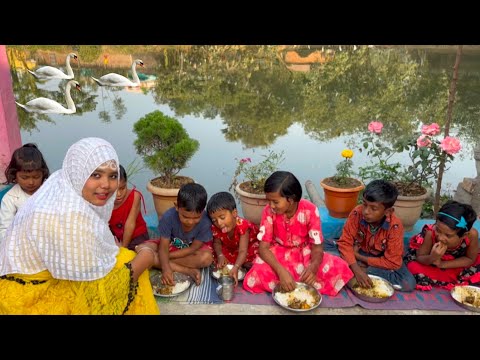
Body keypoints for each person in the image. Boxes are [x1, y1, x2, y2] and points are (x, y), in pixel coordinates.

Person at [0, 137, 159, 315]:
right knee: (134, 266)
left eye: (112, 176)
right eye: (96, 174)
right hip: (30, 294)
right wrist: (146, 256)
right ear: (78, 173)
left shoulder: (61, 184)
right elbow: (106, 291)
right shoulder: (67, 217)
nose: (106, 185)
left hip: (46, 275)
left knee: (123, 257)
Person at [243, 171, 354, 296]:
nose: (271, 205)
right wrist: (281, 272)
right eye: (269, 201)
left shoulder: (310, 210)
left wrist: (314, 267)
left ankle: (289, 283)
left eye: (275, 202)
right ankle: (294, 282)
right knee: (257, 272)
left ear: (290, 200)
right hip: (278, 254)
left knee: (339, 266)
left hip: (304, 253)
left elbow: (317, 246)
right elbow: (263, 249)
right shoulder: (268, 212)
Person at [323, 179, 416, 292]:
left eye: (373, 208)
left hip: (377, 260)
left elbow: (392, 262)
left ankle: (353, 269)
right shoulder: (357, 213)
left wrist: (358, 258)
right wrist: (356, 269)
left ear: (388, 211)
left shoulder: (394, 226)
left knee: (408, 283)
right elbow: (345, 243)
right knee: (322, 245)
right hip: (356, 250)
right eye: (364, 204)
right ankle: (353, 268)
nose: (366, 211)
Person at [136, 183, 213, 286]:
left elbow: (192, 249)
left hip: (189, 252)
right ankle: (187, 270)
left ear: (203, 211)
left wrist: (165, 258)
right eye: (185, 217)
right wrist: (165, 267)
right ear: (177, 207)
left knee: (207, 259)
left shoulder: (205, 222)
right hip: (169, 246)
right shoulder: (168, 217)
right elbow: (163, 246)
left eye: (196, 218)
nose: (190, 222)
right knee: (140, 248)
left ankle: (155, 260)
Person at [404, 200, 480, 290]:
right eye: (438, 230)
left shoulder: (471, 236)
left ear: (464, 235)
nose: (440, 237)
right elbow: (420, 257)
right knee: (413, 267)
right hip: (430, 261)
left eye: (448, 235)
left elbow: (470, 259)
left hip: (456, 264)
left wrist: (442, 264)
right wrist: (433, 257)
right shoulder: (430, 232)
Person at [207, 191, 259, 285]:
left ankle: (241, 264)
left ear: (234, 213)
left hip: (247, 247)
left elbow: (243, 250)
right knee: (213, 253)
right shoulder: (216, 227)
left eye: (222, 217)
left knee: (254, 257)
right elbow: (217, 243)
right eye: (214, 220)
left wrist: (236, 267)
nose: (219, 223)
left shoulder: (242, 226)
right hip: (231, 247)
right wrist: (220, 255)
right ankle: (240, 263)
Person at [0, 143, 50, 239]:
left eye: (36, 177)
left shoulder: (50, 189)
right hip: (21, 242)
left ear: (43, 174)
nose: (31, 182)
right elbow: (5, 230)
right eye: (24, 177)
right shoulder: (11, 199)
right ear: (15, 175)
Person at [109, 164, 149, 250]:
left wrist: (123, 248)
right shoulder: (103, 200)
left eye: (122, 188)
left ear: (126, 183)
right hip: (115, 236)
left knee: (140, 253)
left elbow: (130, 224)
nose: (119, 194)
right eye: (114, 190)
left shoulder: (135, 196)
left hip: (136, 235)